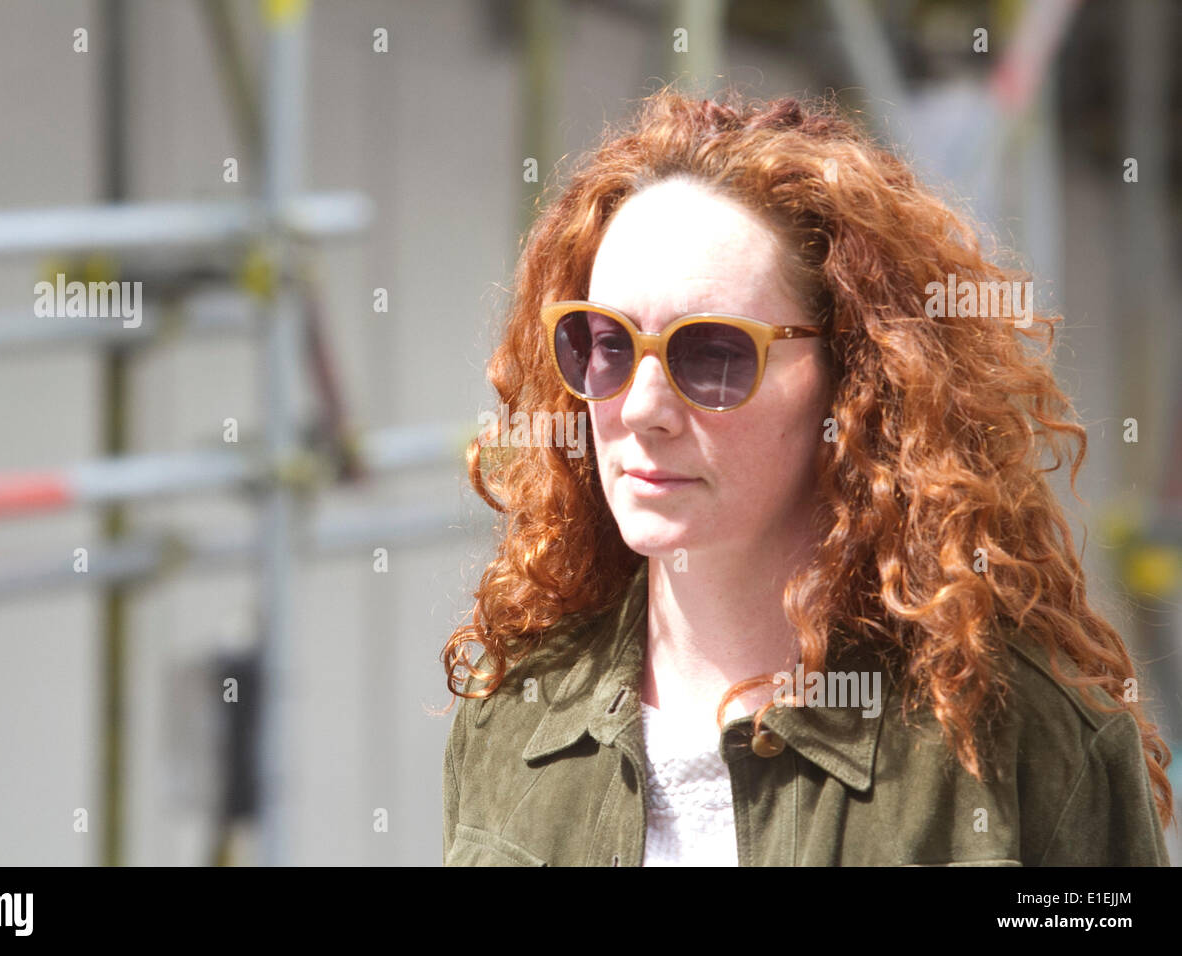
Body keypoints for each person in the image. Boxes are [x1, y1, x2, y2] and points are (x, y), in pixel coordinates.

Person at [440, 84, 1173, 866]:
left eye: (713, 353)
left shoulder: (1023, 743)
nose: (642, 407)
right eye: (606, 344)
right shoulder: (511, 719)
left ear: (854, 382)